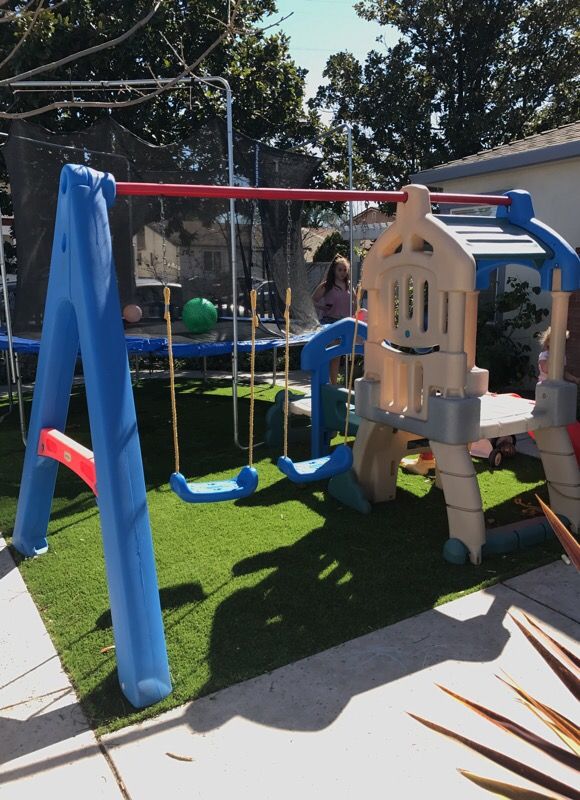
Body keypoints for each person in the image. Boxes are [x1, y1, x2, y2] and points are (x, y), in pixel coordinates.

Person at [312, 254, 353, 384]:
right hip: (329, 321)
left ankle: (333, 383)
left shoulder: (348, 286)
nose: (342, 273)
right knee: (333, 354)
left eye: (344, 270)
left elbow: (355, 304)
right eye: (340, 270)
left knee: (338, 355)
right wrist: (322, 307)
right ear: (334, 270)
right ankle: (329, 382)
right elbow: (312, 300)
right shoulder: (327, 286)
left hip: (344, 323)